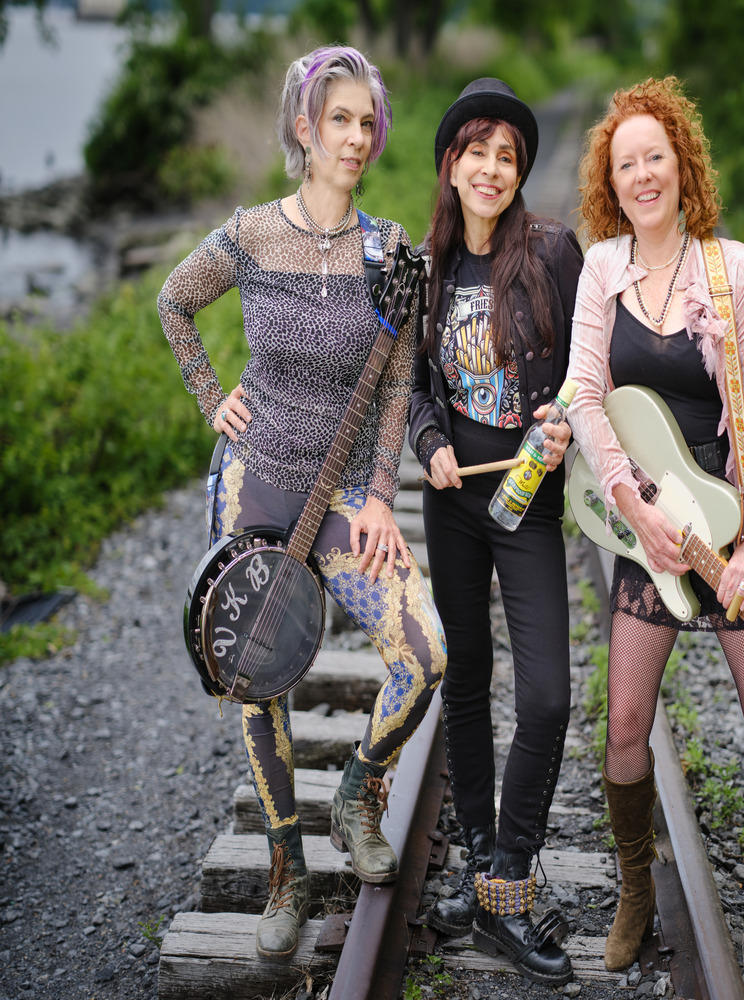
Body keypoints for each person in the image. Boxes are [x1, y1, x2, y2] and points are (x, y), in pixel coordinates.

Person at [157, 46, 447, 962]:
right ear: (304, 128)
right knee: (253, 676)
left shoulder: (389, 249)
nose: (356, 138)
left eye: (367, 123)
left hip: (345, 497)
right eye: (339, 121)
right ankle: (289, 866)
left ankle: (357, 794)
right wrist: (211, 397)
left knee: (425, 654)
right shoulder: (251, 234)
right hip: (257, 485)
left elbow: (396, 386)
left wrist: (378, 496)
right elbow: (173, 302)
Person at [566, 77, 744, 976]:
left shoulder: (736, 271)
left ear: (682, 166)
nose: (643, 175)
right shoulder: (602, 270)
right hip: (648, 518)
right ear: (610, 184)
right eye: (626, 164)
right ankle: (635, 893)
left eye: (656, 157)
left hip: (727, 518)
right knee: (624, 721)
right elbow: (583, 395)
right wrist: (632, 506)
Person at [408, 78, 583, 986]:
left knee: (547, 695)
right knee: (467, 681)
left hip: (526, 501)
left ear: (518, 172)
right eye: (475, 151)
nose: (489, 168)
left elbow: (589, 369)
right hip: (452, 502)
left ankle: (509, 876)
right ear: (451, 165)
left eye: (505, 155)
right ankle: (488, 877)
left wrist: (563, 420)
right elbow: (413, 388)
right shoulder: (428, 265)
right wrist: (430, 442)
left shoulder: (552, 252)